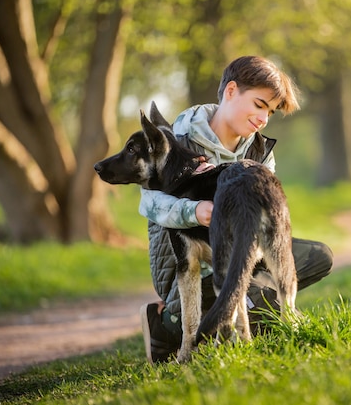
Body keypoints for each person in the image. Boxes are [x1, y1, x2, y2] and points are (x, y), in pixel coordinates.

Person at [138, 55, 333, 363]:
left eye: (269, 111)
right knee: (224, 309)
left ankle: (247, 309)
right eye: (259, 104)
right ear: (230, 91)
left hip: (239, 252)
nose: (263, 118)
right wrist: (195, 211)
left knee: (318, 257)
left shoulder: (260, 151)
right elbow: (149, 202)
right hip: (190, 264)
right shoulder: (176, 138)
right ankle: (165, 325)